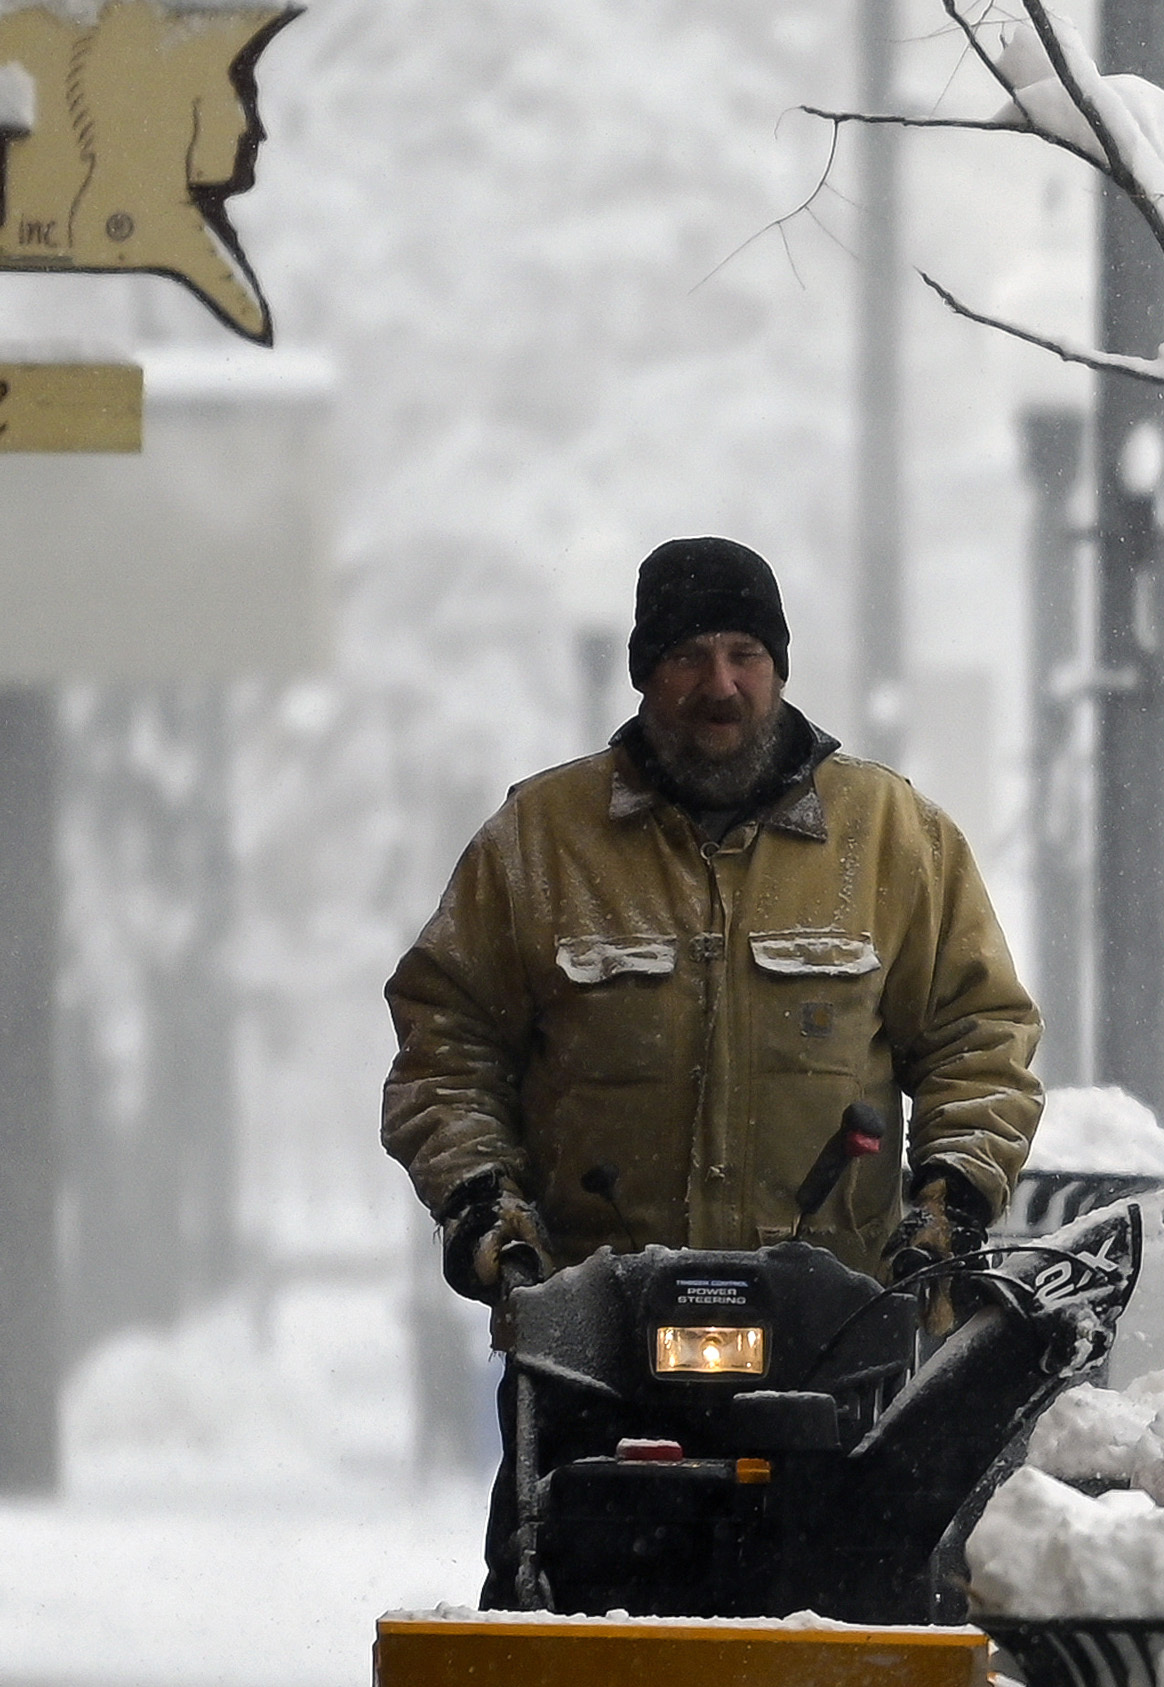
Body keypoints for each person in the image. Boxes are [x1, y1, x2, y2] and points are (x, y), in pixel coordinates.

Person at [382, 536, 1042, 1602]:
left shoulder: (891, 841)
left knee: (853, 1607)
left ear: (781, 667)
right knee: (560, 1600)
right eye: (690, 655)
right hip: (589, 1337)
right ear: (644, 672)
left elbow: (981, 1037)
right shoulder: (539, 846)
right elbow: (443, 1044)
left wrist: (950, 1200)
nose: (720, 684)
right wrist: (486, 1214)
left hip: (838, 1343)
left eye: (745, 652)